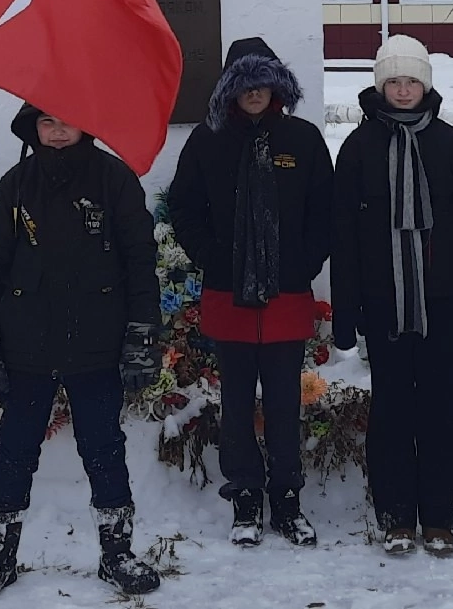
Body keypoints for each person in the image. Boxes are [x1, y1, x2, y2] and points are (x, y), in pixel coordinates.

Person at [0, 104, 163, 599]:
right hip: (26, 344)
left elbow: (140, 262)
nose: (56, 131)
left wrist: (142, 333)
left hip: (97, 342)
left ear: (86, 123)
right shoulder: (17, 183)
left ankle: (117, 553)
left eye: (66, 120)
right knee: (13, 451)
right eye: (46, 122)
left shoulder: (115, 179)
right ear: (33, 128)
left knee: (103, 449)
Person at [165, 37, 333, 547]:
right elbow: (184, 207)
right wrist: (212, 258)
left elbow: (325, 210)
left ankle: (287, 500)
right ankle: (244, 498)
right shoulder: (207, 141)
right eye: (245, 85)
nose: (255, 94)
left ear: (275, 86)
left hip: (285, 296)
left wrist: (304, 261)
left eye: (263, 84)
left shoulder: (302, 140)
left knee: (284, 403)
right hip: (229, 295)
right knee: (237, 404)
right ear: (231, 90)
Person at [330, 36, 453, 557]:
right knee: (393, 409)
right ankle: (398, 516)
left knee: (444, 408)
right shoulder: (359, 147)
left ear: (426, 85)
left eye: (411, 81)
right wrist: (346, 307)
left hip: (441, 301)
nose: (403, 90)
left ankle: (439, 516)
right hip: (385, 303)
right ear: (381, 86)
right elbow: (345, 236)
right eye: (394, 81)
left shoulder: (450, 145)